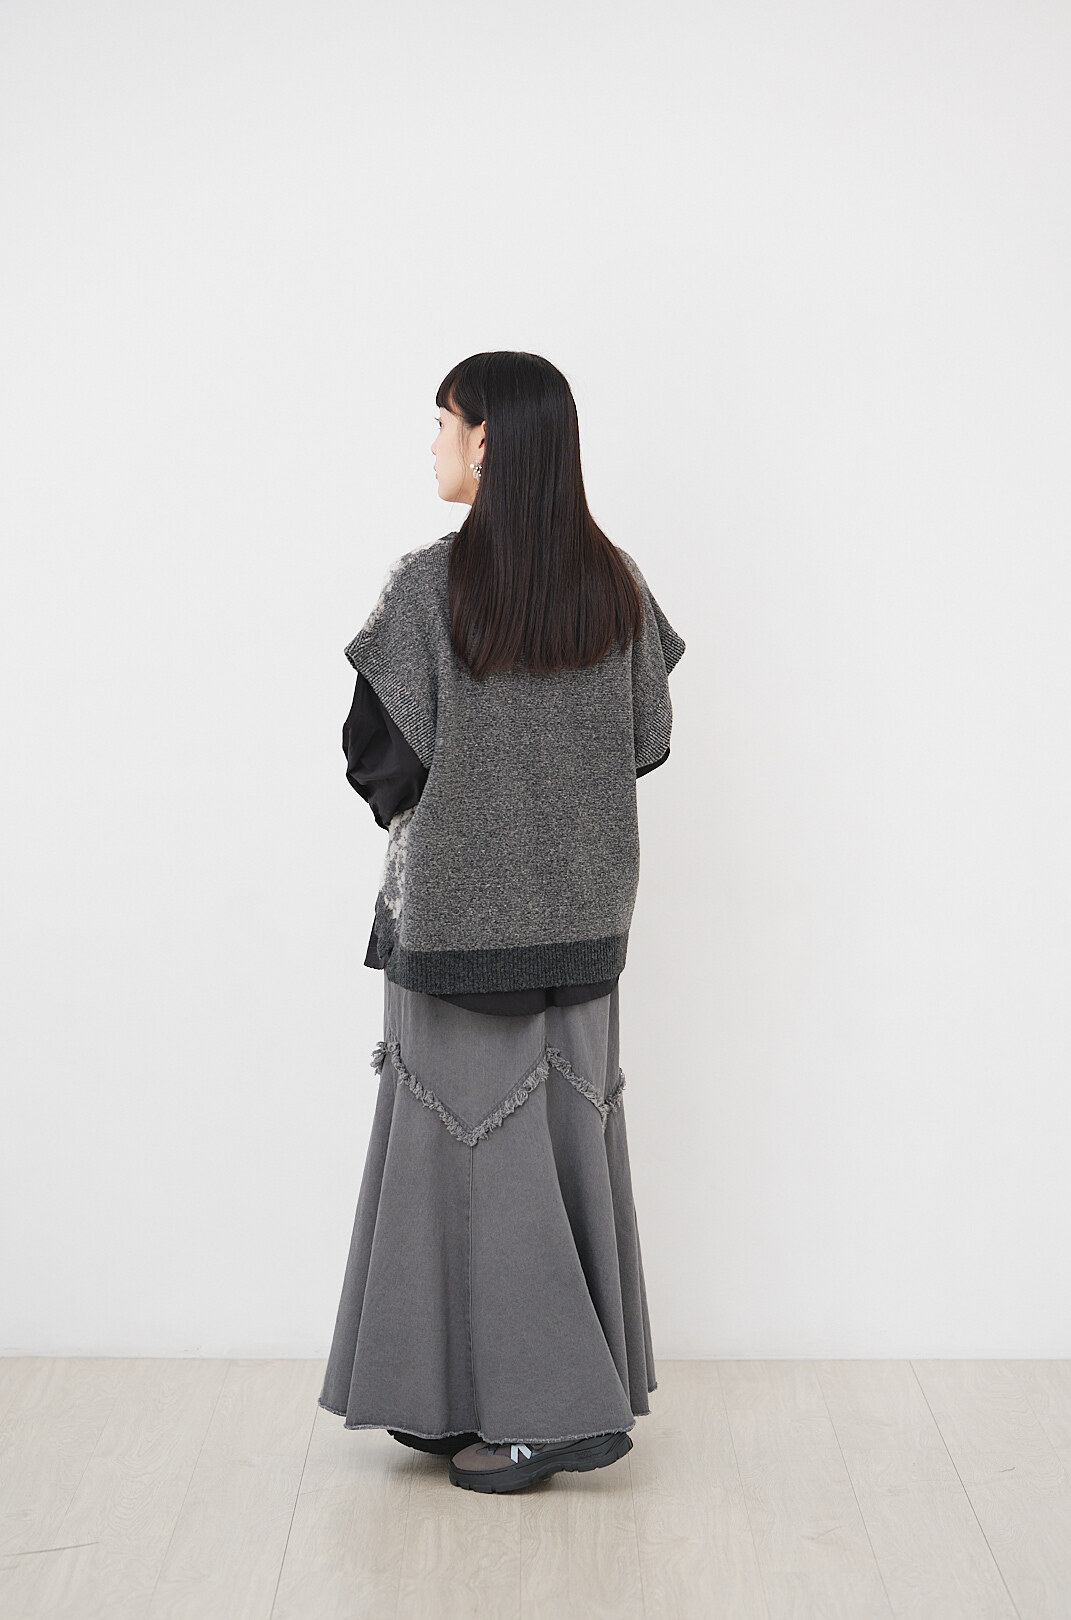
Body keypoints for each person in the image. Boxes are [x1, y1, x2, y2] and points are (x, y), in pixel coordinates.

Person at [318, 350, 686, 1495]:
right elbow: (647, 740)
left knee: (465, 1162)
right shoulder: (617, 585)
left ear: (487, 440)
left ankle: (555, 1414)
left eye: (443, 422)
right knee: (547, 1156)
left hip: (457, 926)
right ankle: (459, 1396)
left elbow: (378, 761)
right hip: (584, 922)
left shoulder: (429, 586)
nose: (433, 443)